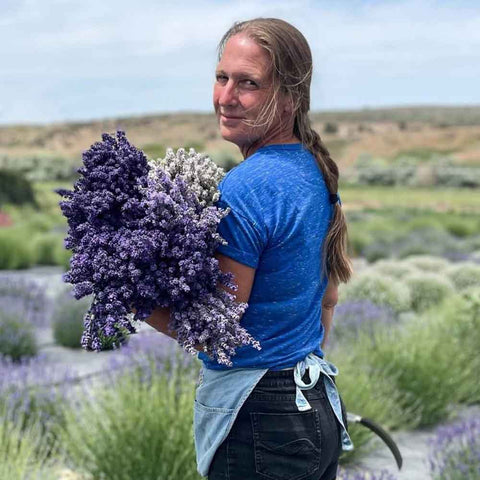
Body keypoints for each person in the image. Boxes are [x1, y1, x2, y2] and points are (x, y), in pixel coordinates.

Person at [192, 17, 354, 480]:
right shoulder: (312, 170)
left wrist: (131, 294)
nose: (225, 97)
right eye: (222, 77)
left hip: (260, 423)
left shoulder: (246, 188)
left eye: (248, 84)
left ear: (290, 96)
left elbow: (218, 335)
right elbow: (329, 299)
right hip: (314, 407)